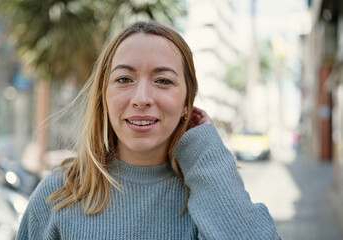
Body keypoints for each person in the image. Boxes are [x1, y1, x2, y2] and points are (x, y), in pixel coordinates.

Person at [17, 21, 281, 240]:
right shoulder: (59, 193)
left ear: (186, 104)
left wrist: (205, 150)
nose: (141, 98)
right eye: (124, 79)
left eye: (163, 80)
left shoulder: (211, 193)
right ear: (103, 96)